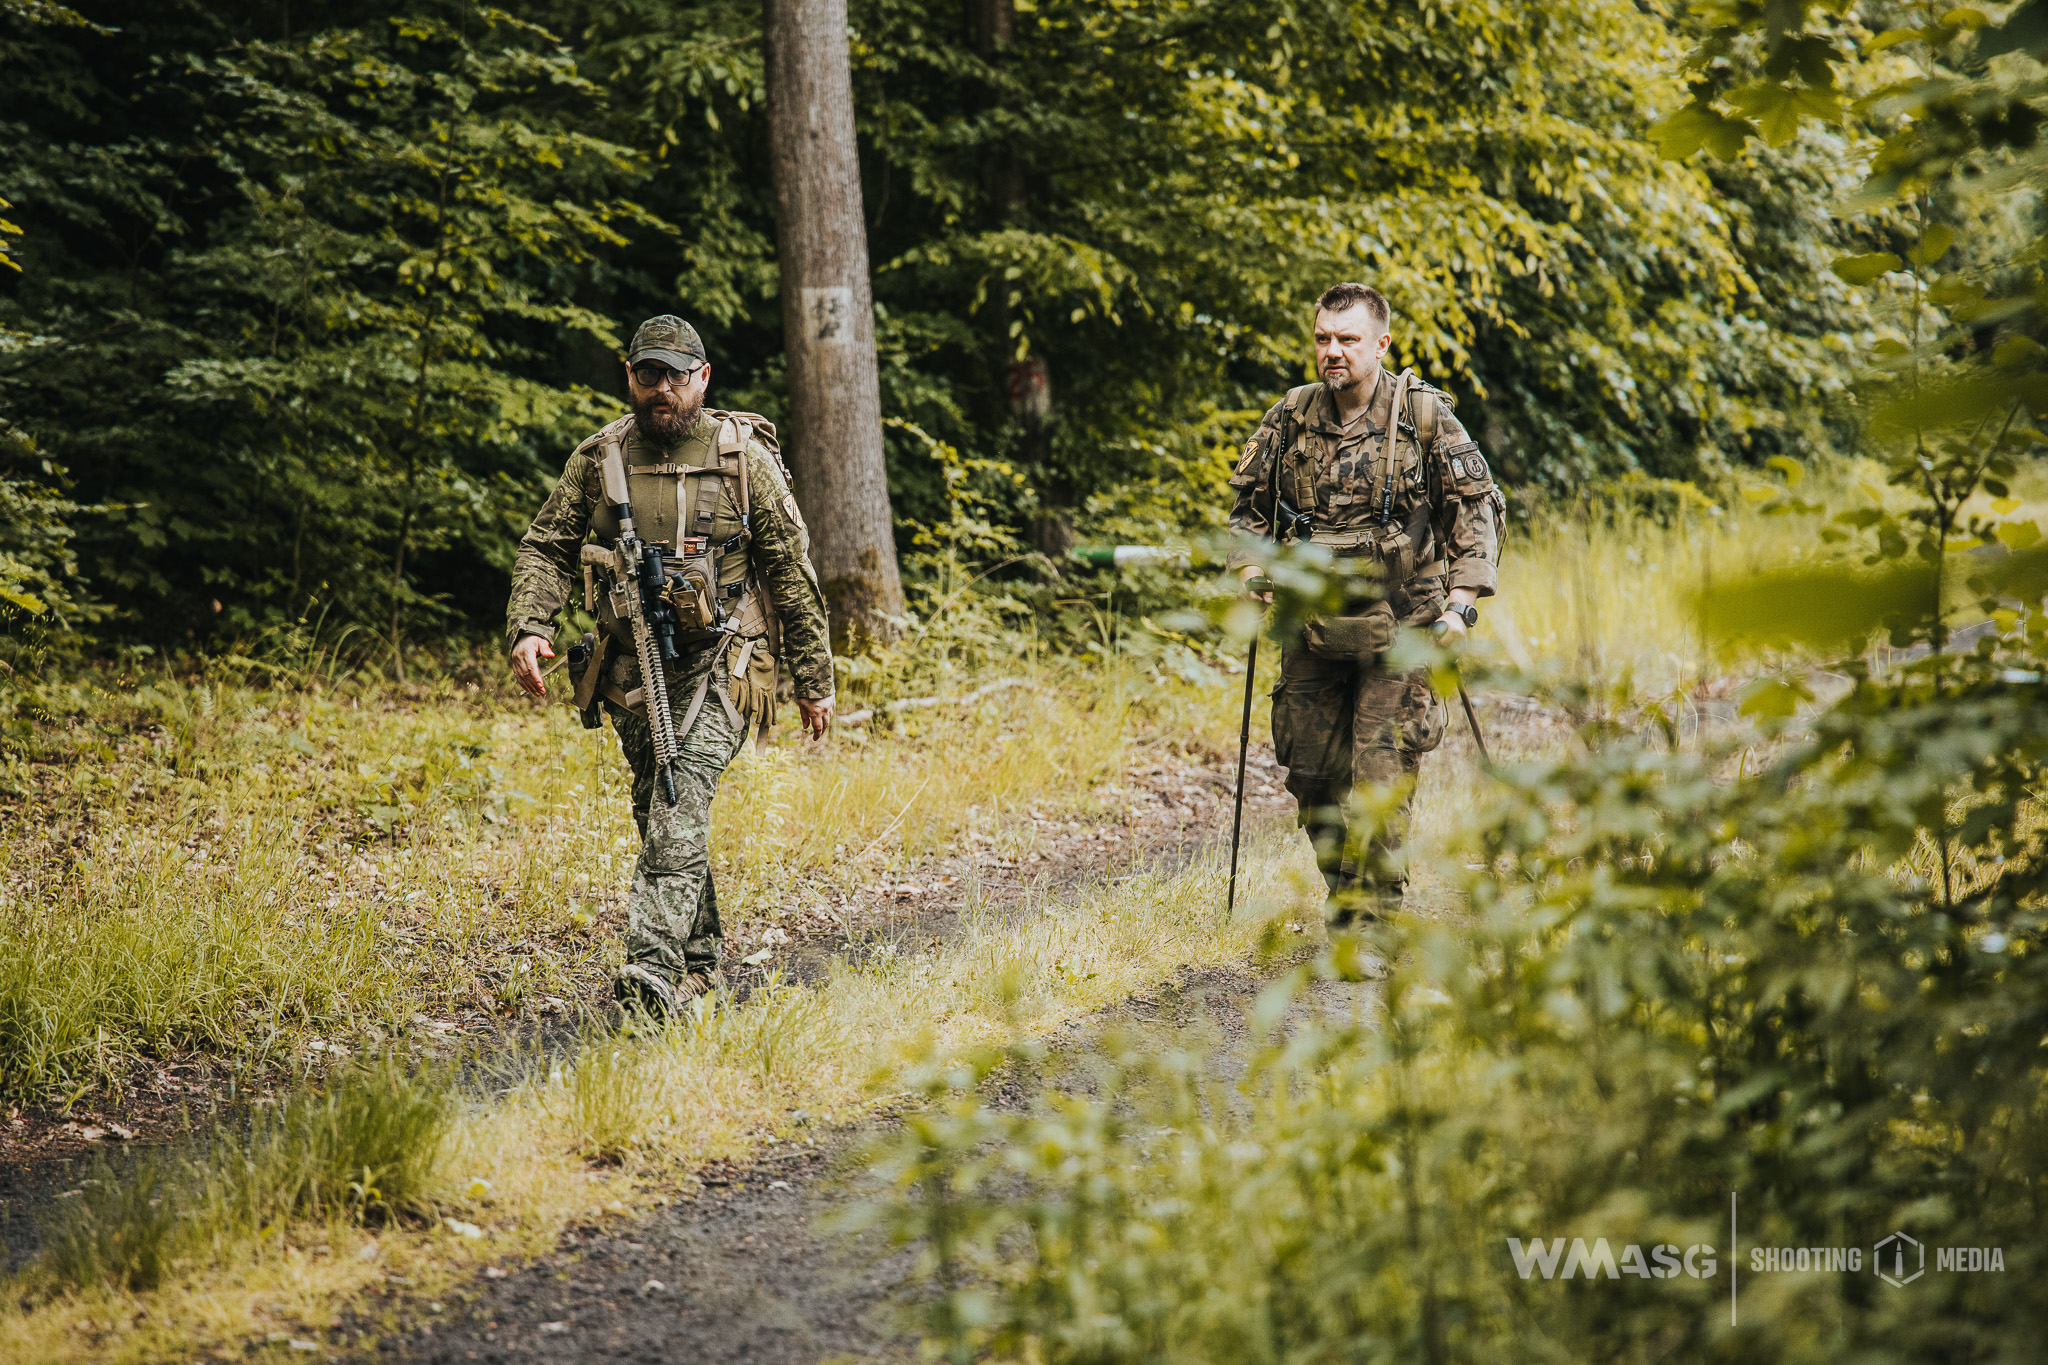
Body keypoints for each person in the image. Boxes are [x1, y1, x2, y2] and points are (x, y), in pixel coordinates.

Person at [506, 315, 835, 1014]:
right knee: (657, 803)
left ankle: (649, 973)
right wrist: (530, 626)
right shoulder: (600, 460)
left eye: (676, 376)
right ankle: (699, 962)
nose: (662, 390)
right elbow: (545, 546)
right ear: (629, 377)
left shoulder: (743, 459)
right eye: (648, 374)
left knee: (680, 790)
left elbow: (792, 569)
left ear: (703, 379)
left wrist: (814, 680)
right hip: (632, 666)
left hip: (728, 660)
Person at [1229, 283, 1503, 929]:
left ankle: (1374, 920)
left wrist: (1460, 604)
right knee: (1311, 772)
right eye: (1323, 338)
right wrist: (1250, 566)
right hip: (1314, 623)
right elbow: (1248, 509)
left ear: (1381, 343)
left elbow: (1477, 511)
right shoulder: (1290, 416)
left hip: (1406, 620)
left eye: (1347, 339)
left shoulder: (1423, 417)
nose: (1333, 351)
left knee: (1382, 772)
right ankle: (1346, 890)